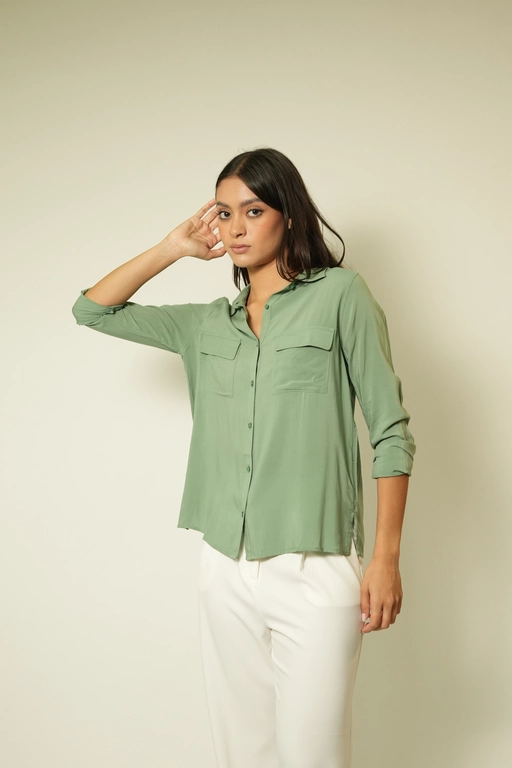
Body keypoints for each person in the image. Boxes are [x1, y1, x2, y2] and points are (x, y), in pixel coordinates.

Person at [71, 147, 416, 768]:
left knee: (313, 756)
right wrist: (171, 248)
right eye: (224, 213)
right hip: (223, 568)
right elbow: (92, 309)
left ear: (290, 215)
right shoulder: (205, 325)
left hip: (315, 564)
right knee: (242, 756)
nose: (234, 228)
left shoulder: (341, 295)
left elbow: (391, 431)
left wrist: (386, 557)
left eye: (253, 211)